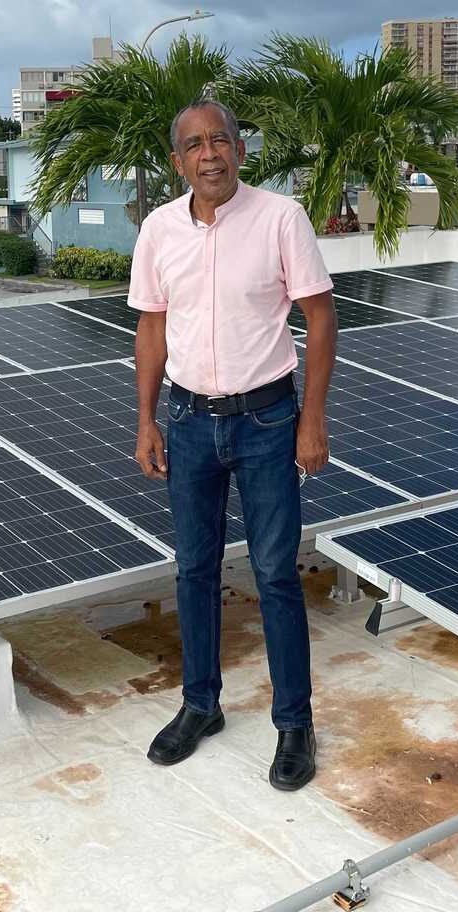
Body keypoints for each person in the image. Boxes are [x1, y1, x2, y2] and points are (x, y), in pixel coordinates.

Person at [128, 97, 337, 791]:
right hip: (188, 424)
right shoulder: (158, 230)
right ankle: (200, 705)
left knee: (276, 573)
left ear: (241, 151)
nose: (209, 154)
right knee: (193, 570)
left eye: (220, 141)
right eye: (194, 145)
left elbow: (320, 314)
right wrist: (146, 420)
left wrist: (312, 420)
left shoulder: (281, 218)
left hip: (268, 422)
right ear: (177, 160)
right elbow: (152, 328)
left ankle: (294, 723)